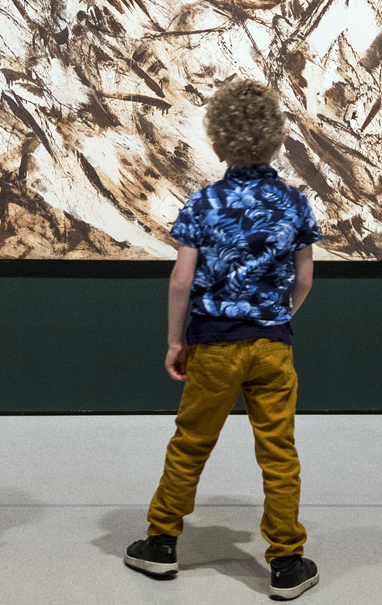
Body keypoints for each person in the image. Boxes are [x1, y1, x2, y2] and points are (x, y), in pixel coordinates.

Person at [124, 80, 323, 600]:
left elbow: (181, 282)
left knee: (190, 444)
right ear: (278, 139)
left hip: (212, 343)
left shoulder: (203, 204)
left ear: (217, 143)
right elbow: (303, 280)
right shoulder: (294, 204)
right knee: (279, 451)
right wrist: (278, 316)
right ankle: (286, 562)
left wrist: (175, 341)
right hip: (272, 345)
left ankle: (162, 543)